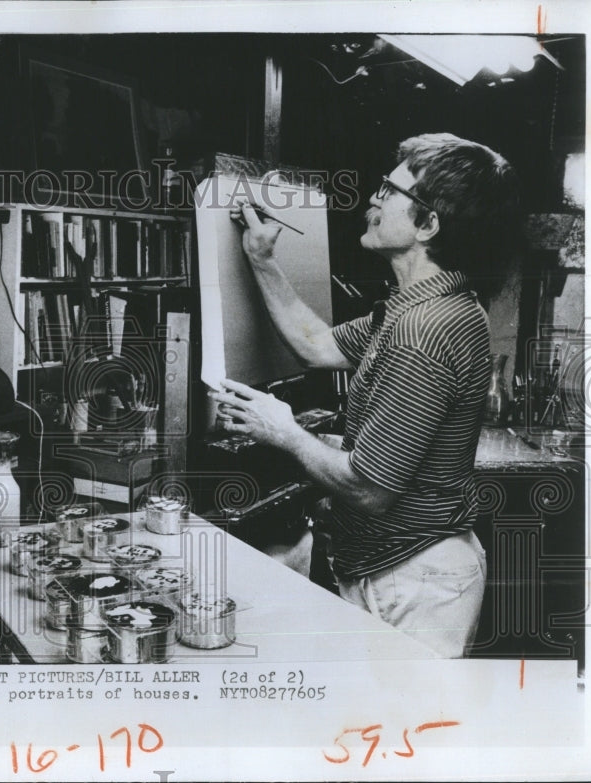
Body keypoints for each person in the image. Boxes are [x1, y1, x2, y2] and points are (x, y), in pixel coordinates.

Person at [212, 133, 520, 658]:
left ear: (428, 224)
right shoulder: (416, 307)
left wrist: (282, 431)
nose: (373, 199)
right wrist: (262, 260)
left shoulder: (423, 331)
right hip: (400, 566)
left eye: (390, 190)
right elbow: (317, 345)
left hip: (414, 580)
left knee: (402, 736)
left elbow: (370, 491)